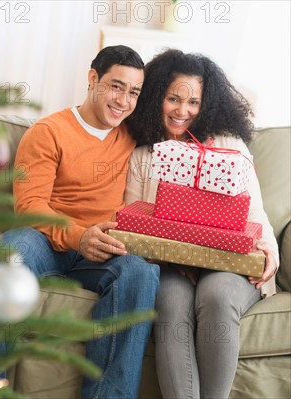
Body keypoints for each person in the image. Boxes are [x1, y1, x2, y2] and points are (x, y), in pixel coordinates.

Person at [2, 45, 160, 399]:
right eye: (116, 87)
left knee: (140, 271)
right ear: (93, 79)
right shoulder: (49, 132)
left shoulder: (134, 135)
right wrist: (78, 236)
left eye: (133, 92)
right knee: (13, 250)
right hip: (45, 242)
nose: (123, 101)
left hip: (100, 252)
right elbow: (29, 207)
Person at [125, 49, 279, 399]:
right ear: (156, 98)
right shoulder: (142, 155)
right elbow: (135, 224)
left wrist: (269, 251)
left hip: (231, 263)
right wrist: (171, 258)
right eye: (173, 99)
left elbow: (255, 213)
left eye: (194, 101)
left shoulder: (229, 145)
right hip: (167, 263)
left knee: (218, 294)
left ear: (207, 104)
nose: (183, 111)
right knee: (170, 299)